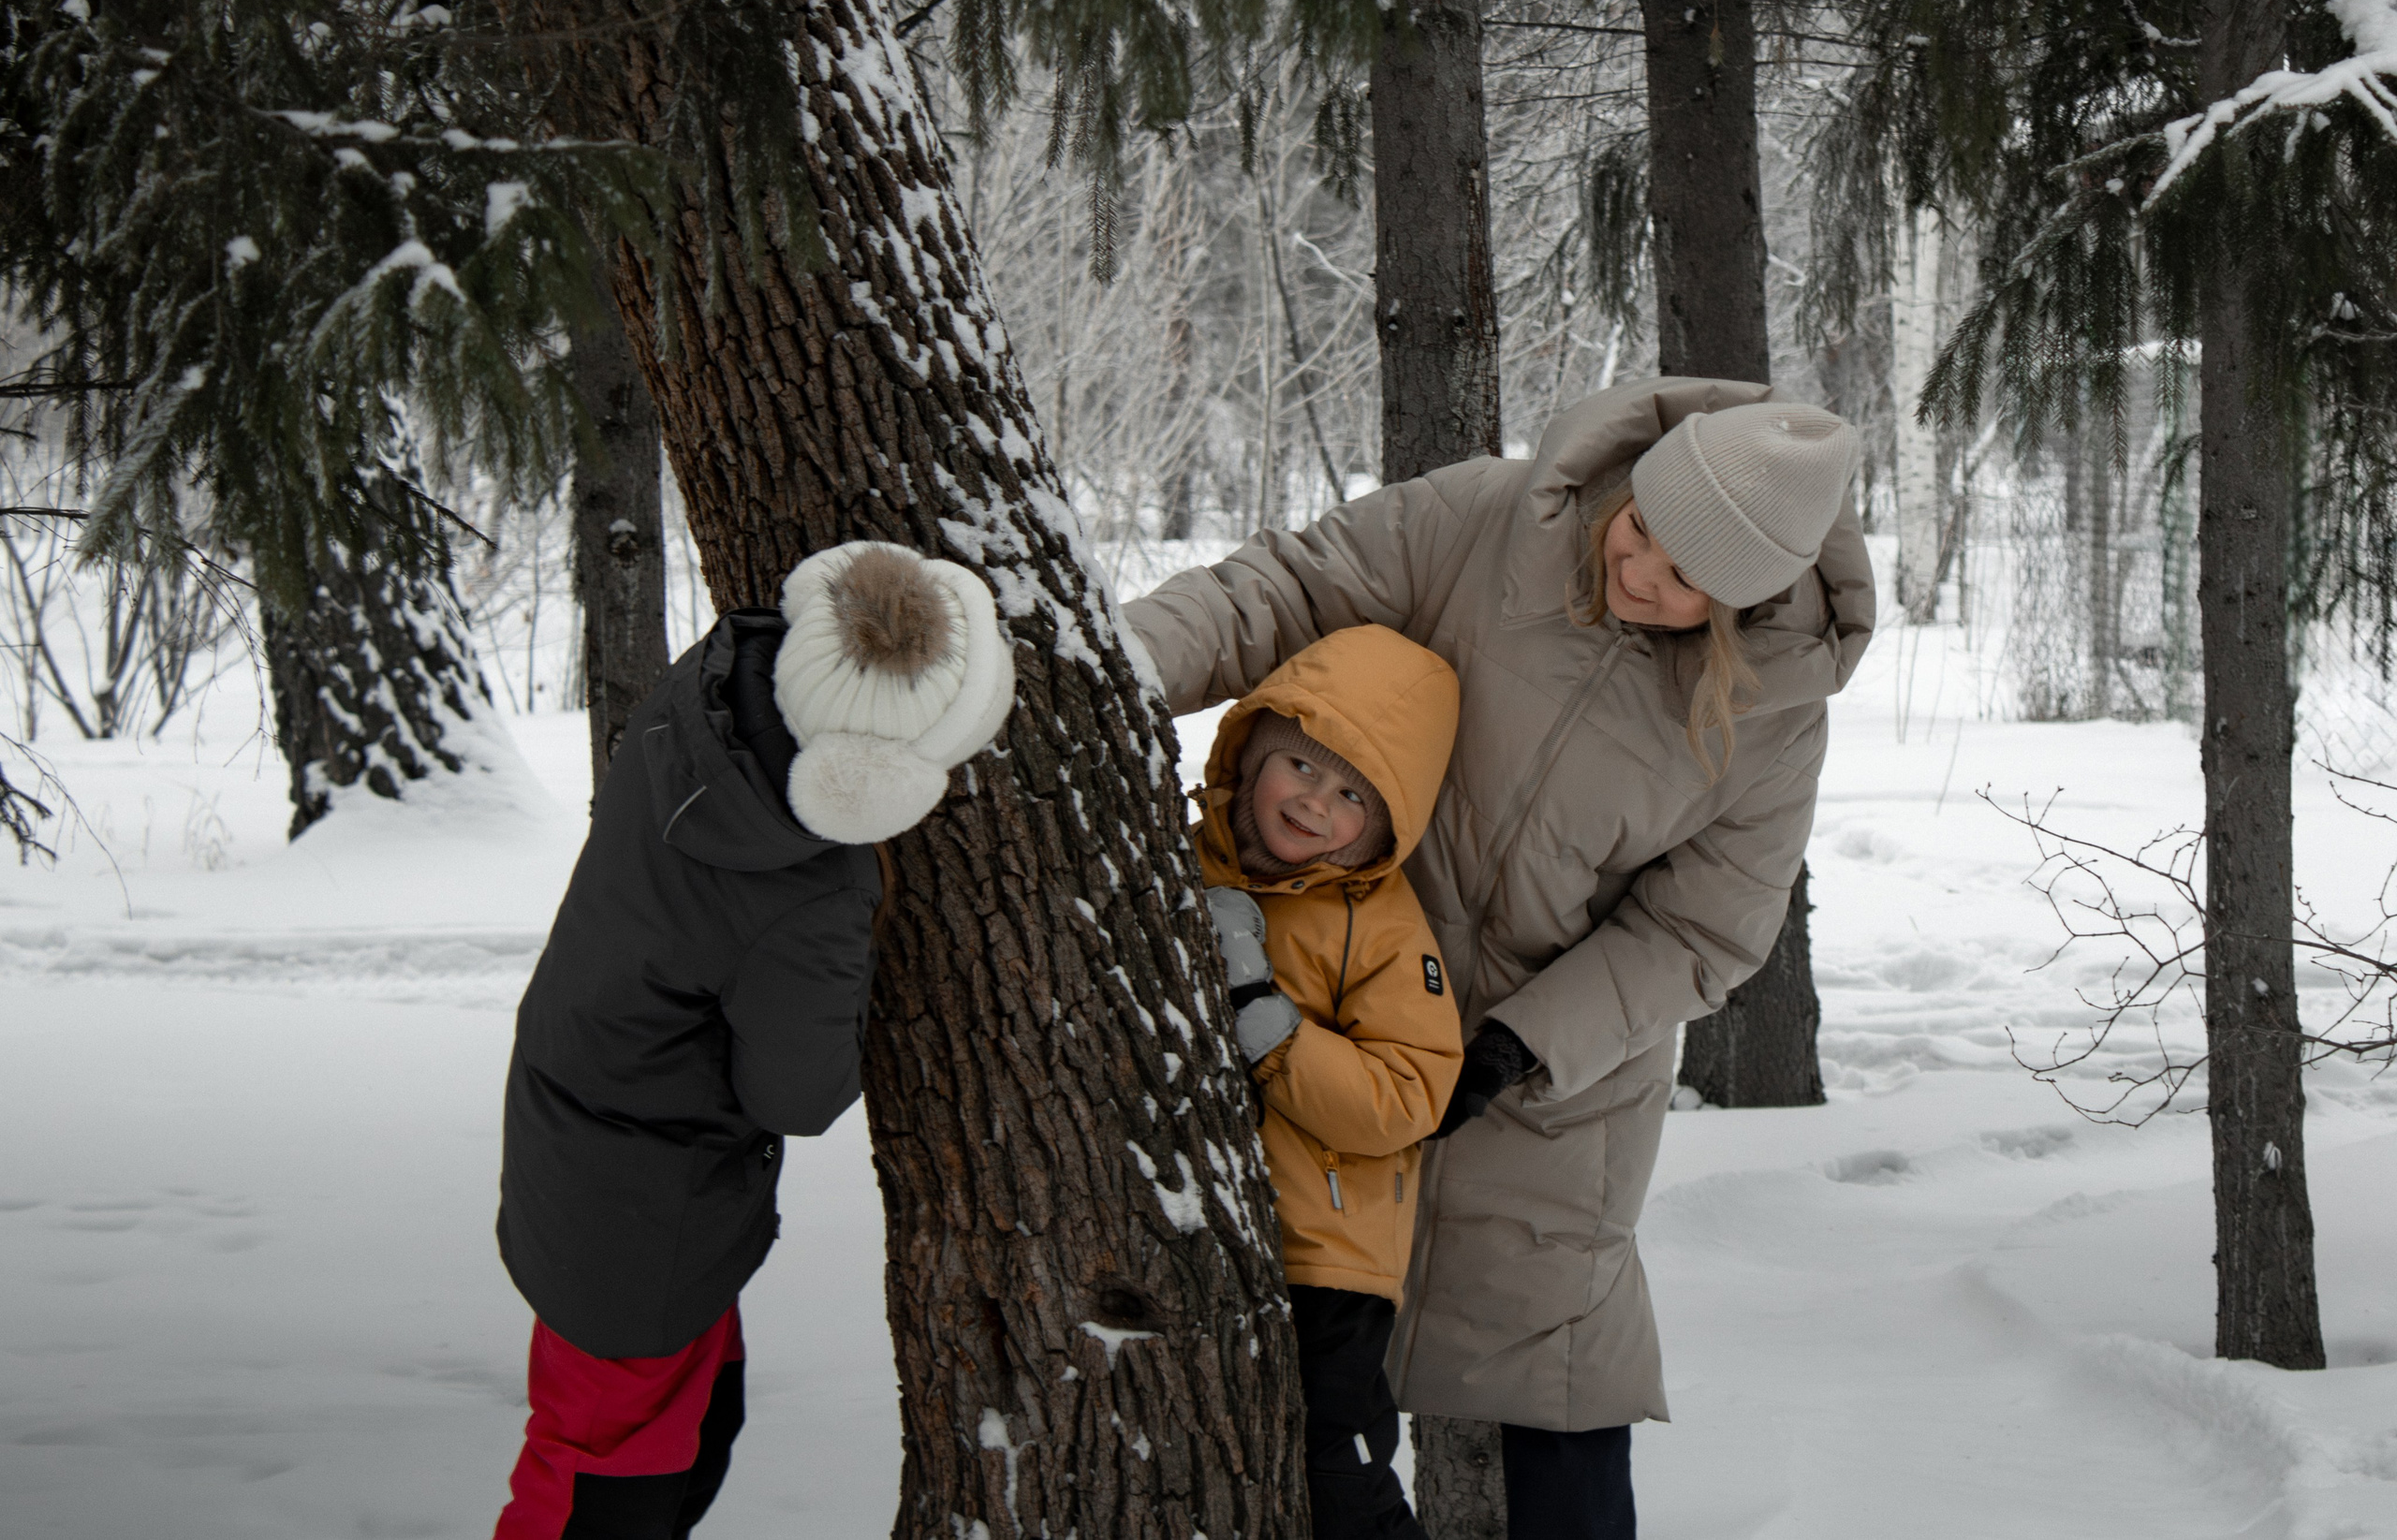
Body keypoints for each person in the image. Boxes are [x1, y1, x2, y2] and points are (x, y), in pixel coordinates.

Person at [1128, 378, 1875, 1539]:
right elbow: (1284, 591)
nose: (1640, 573)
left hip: (1550, 1084)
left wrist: (1521, 1044)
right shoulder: (1485, 520)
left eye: (1687, 577)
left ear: (1747, 598)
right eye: (1640, 528)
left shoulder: (1772, 715)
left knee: (1564, 1386)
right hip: (1332, 1009)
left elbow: (1704, 926)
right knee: (1299, 1375)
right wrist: (1115, 666)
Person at [491, 541, 1015, 1540]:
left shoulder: (714, 686)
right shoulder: (808, 890)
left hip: (583, 1129)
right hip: (641, 1213)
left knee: (682, 1442)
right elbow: (796, 1095)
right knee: (603, 1487)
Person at [1198, 623, 1465, 1540]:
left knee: (1332, 1468)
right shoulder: (1182, 861)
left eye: (1352, 794)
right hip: (1200, 1228)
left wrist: (1264, 1018)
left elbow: (1407, 1096)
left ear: (1384, 826)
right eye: (1300, 766)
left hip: (1328, 1254)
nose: (1315, 803)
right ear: (1252, 753)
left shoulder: (1382, 924)